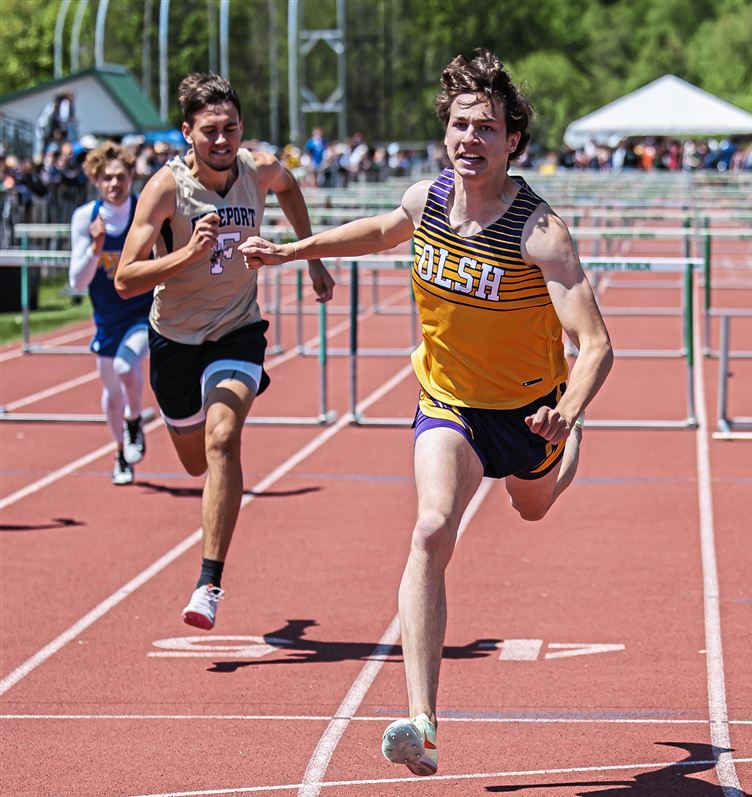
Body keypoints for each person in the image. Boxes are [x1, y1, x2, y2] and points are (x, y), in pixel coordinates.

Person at [239, 49, 613, 776]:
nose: (470, 139)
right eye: (460, 125)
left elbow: (596, 343)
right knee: (432, 524)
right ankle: (423, 720)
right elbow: (381, 230)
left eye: (487, 128)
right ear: (446, 131)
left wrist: (567, 409)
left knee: (530, 507)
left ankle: (567, 454)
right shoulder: (427, 200)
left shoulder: (541, 233)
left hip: (532, 412)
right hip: (448, 401)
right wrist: (294, 252)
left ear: (514, 142)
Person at [115, 73, 335, 630]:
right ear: (187, 132)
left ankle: (208, 582)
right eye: (209, 131)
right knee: (196, 460)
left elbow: (289, 188)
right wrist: (187, 254)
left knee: (223, 437)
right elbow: (125, 278)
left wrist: (306, 255)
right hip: (175, 341)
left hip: (237, 329)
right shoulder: (165, 190)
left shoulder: (258, 170)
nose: (222, 140)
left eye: (230, 129)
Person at [68, 142, 153, 485]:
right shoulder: (84, 218)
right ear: (96, 180)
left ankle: (135, 420)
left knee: (125, 367)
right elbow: (77, 282)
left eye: (120, 176)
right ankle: (120, 451)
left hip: (142, 312)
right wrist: (95, 249)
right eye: (107, 178)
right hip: (106, 317)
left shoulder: (144, 213)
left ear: (132, 176)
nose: (114, 184)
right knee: (111, 393)